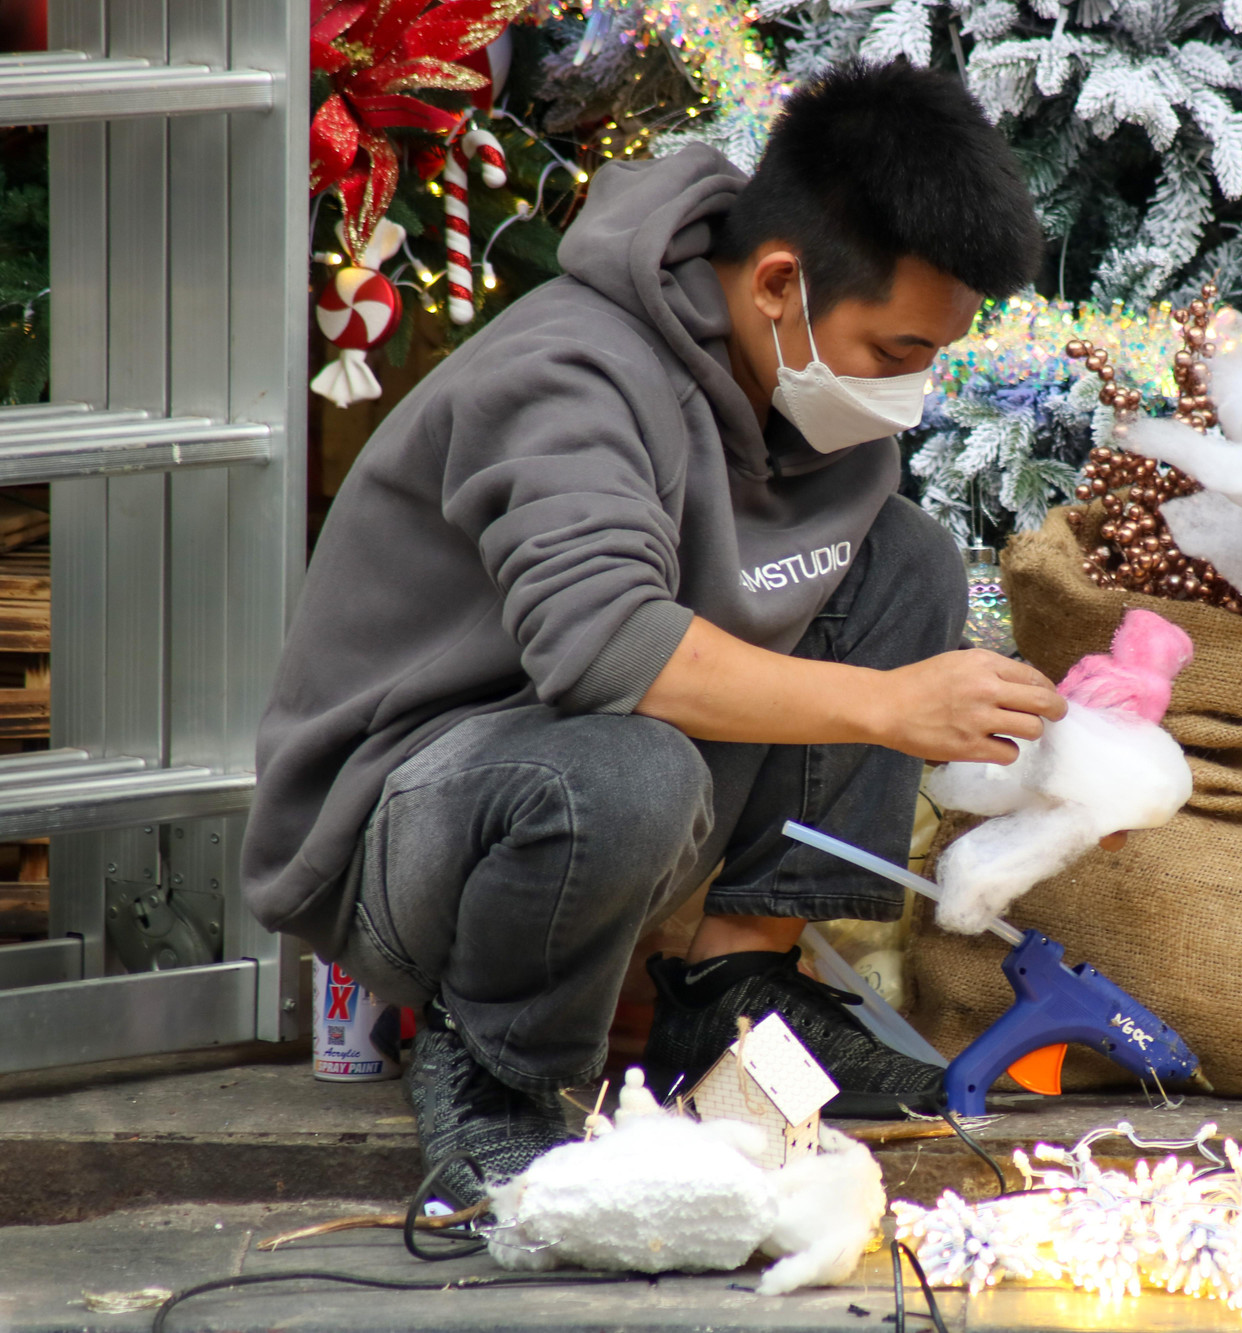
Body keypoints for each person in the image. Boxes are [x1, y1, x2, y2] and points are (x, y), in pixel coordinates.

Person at [244, 63, 1076, 1205]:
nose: (912, 389)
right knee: (623, 771)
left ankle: (732, 990)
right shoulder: (568, 376)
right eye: (895, 352)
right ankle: (495, 1063)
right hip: (412, 819)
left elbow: (813, 608)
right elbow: (601, 646)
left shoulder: (791, 391)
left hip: (611, 773)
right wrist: (889, 706)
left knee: (905, 557)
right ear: (780, 282)